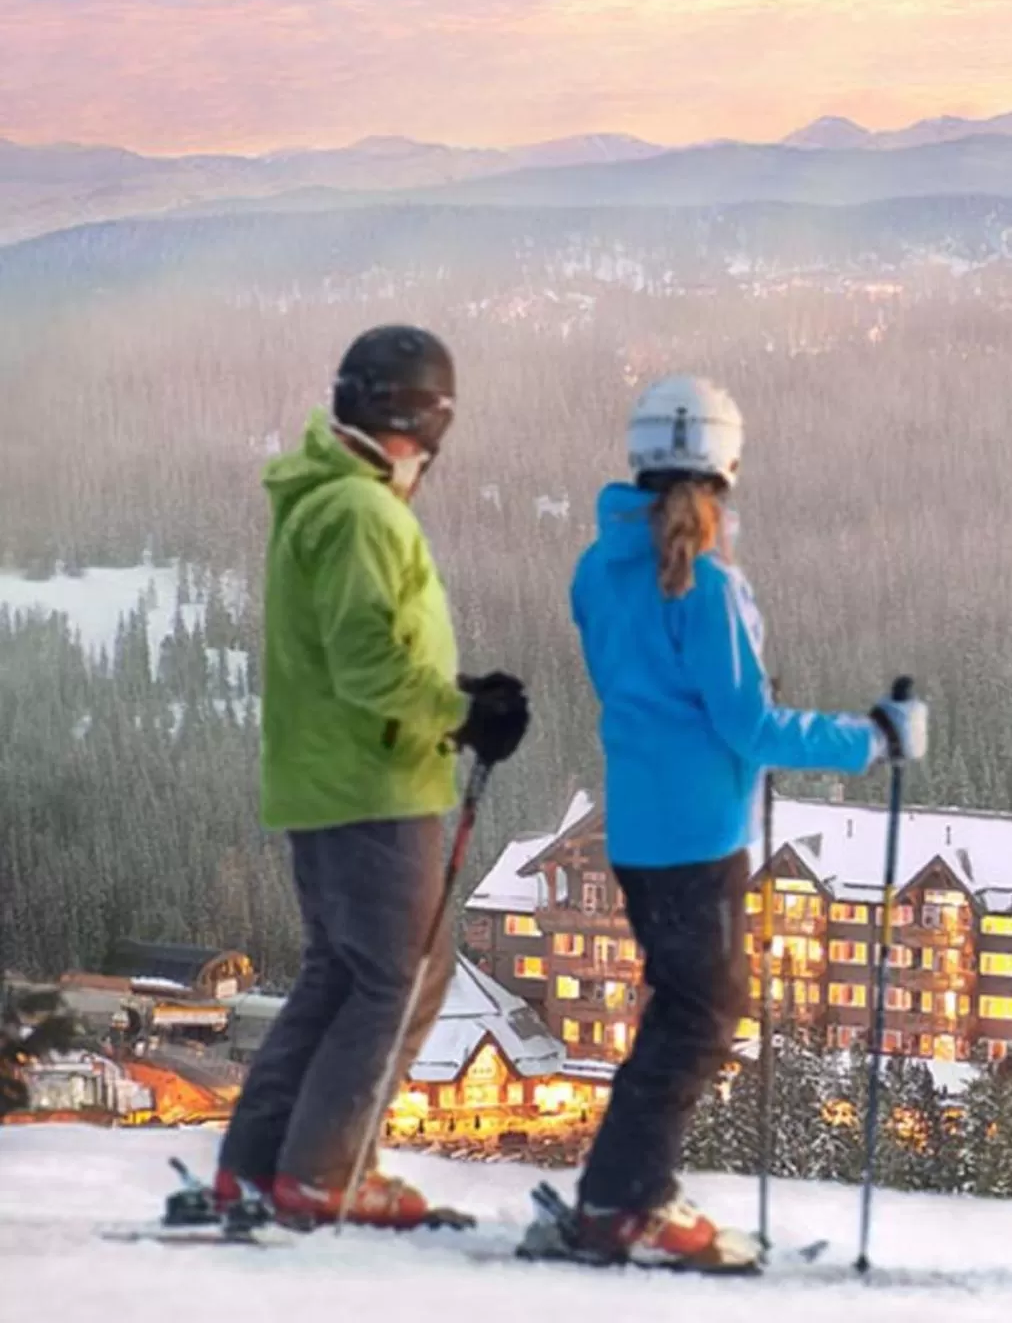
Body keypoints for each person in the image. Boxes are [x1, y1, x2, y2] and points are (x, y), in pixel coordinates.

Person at [550, 374, 925, 1270]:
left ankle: (622, 1195)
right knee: (702, 1018)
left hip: (639, 828)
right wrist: (871, 738)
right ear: (725, 470)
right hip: (700, 838)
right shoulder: (707, 586)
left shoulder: (598, 571)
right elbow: (746, 724)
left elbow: (655, 694)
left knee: (687, 1011)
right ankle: (622, 1200)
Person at [215, 325, 531, 1229]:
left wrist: (455, 695)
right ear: (423, 420)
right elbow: (364, 664)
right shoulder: (360, 510)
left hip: (335, 777)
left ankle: (258, 1168)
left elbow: (354, 651)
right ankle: (324, 1175)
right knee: (399, 979)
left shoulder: (330, 499)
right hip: (372, 784)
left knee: (340, 975)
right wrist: (463, 715)